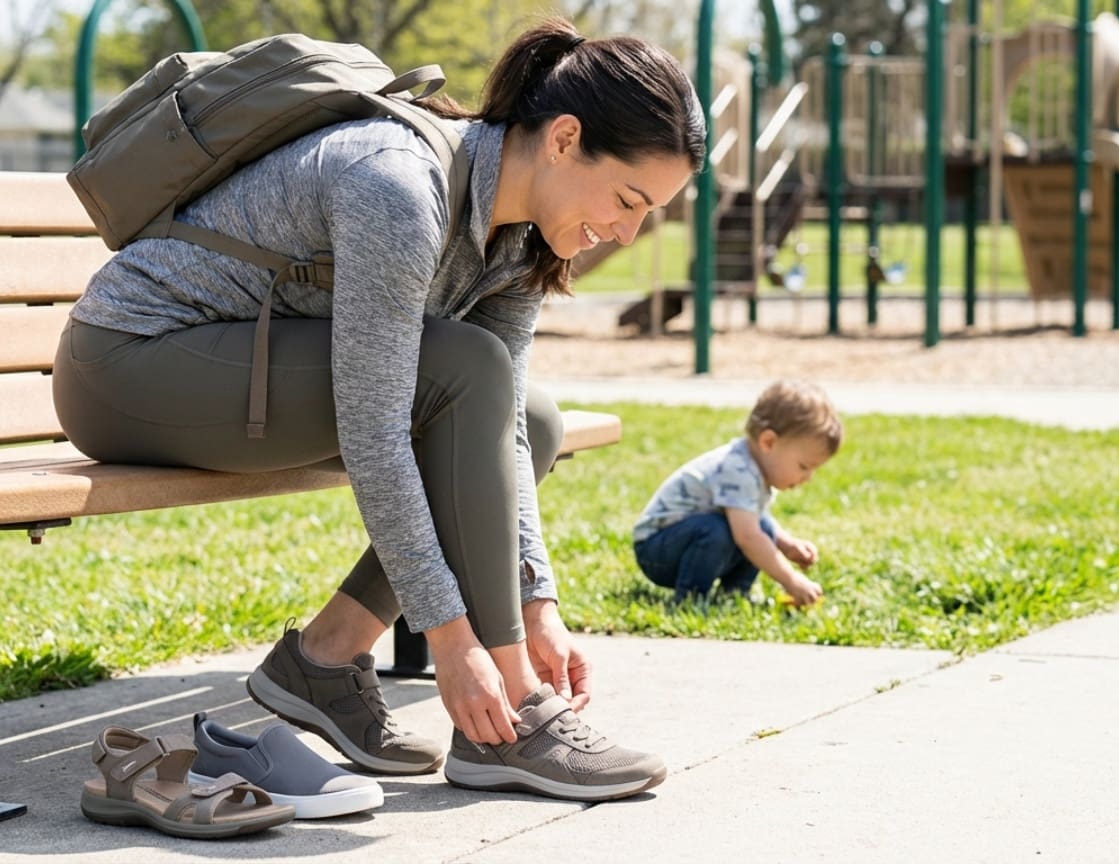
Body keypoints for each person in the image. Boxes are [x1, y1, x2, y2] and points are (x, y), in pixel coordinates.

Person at [51, 18, 703, 803]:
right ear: (564, 139)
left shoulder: (516, 238)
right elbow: (377, 429)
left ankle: (324, 660)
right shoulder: (397, 185)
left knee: (534, 418)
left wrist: (538, 603)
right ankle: (517, 714)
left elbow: (500, 428)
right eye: (629, 200)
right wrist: (458, 642)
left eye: (649, 214)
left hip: (239, 371)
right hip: (131, 365)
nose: (628, 232)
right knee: (467, 369)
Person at [632, 380, 842, 606]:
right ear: (768, 442)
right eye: (803, 467)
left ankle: (733, 594)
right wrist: (790, 580)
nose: (807, 478)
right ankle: (691, 598)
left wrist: (787, 544)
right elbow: (748, 538)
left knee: (759, 529)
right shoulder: (738, 469)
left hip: (683, 542)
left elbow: (759, 521)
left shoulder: (754, 469)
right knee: (729, 532)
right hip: (657, 551)